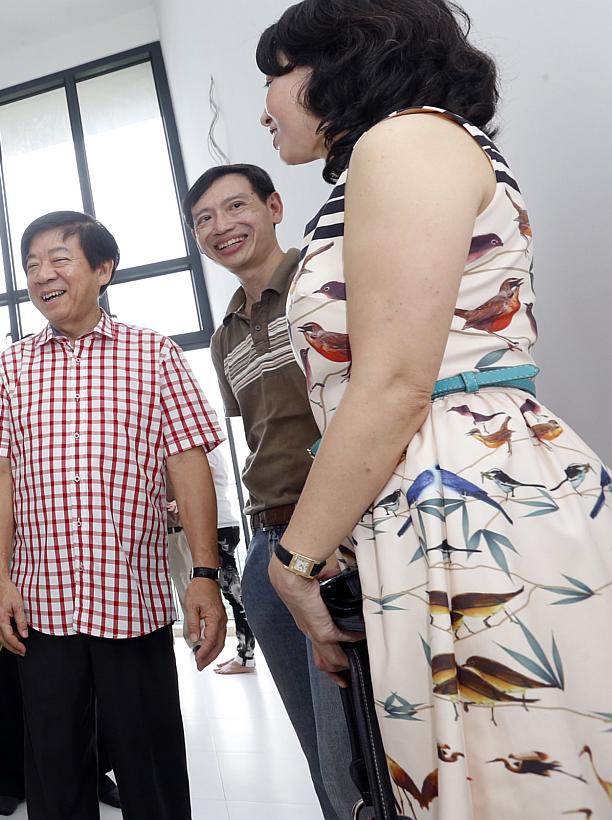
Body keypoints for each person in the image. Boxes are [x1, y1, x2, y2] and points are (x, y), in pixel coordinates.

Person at [256, 1, 612, 817]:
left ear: (341, 61)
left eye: (275, 72)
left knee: (504, 781)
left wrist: (295, 560)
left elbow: (394, 385)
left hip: (461, 490)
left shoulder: (406, 139)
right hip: (441, 486)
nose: (265, 101)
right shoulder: (406, 150)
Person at [0, 211, 227, 820]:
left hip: (129, 598)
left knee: (151, 768)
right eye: (31, 265)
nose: (41, 275)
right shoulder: (11, 367)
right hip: (43, 606)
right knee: (54, 773)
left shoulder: (154, 354)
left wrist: (204, 573)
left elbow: (188, 465)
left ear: (103, 269)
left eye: (59, 259)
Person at [188, 161, 358, 819]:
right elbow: (259, 432)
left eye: (235, 207)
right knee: (320, 751)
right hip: (265, 544)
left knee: (357, 742)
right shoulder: (225, 332)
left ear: (274, 206)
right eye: (204, 219)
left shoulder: (323, 284)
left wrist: (335, 532)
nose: (221, 227)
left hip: (335, 539)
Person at [0, 460, 122, 817]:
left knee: (92, 686)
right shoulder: (5, 424)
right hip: (24, 581)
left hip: (89, 576)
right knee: (11, 682)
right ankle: (7, 780)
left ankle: (96, 771)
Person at [207, 445, 255, 674]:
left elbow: (199, 489)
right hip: (225, 524)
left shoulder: (206, 454)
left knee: (235, 594)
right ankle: (243, 654)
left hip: (218, 526)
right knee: (233, 592)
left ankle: (246, 658)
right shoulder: (214, 452)